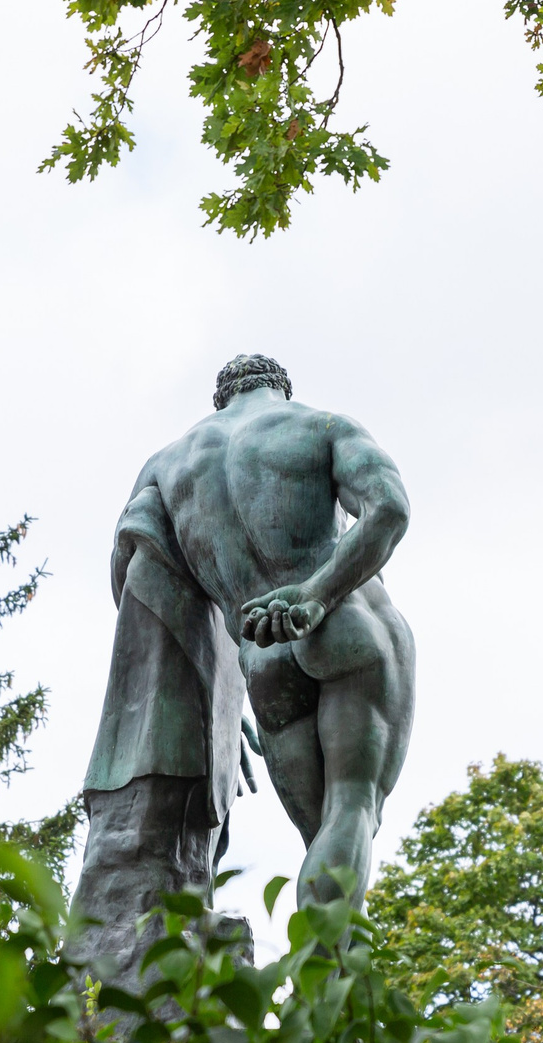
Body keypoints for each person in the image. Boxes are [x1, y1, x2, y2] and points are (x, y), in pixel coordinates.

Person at [75, 354, 415, 975]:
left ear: (221, 398)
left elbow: (135, 586)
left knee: (322, 838)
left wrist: (214, 706)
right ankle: (330, 1004)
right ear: (281, 387)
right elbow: (390, 509)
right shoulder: (320, 426)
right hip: (341, 620)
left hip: (261, 656)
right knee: (352, 809)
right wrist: (314, 596)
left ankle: (333, 984)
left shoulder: (165, 466)